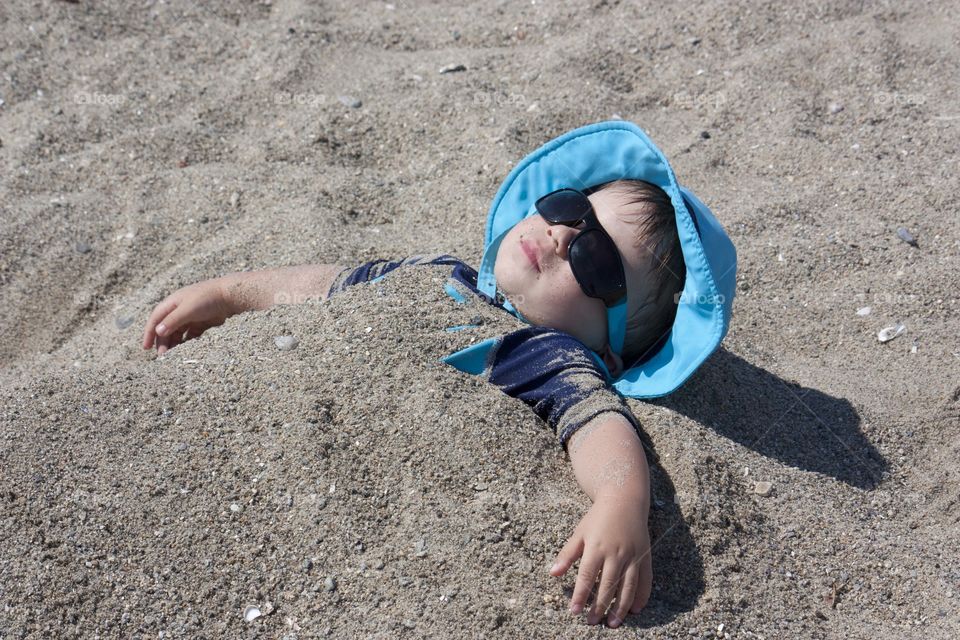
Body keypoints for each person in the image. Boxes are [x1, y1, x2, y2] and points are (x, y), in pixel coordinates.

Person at [141, 120, 738, 629]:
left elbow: (599, 422)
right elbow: (326, 284)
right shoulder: (437, 272)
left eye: (596, 259)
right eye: (570, 209)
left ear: (606, 353)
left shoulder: (542, 349)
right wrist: (227, 293)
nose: (559, 237)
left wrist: (621, 497)